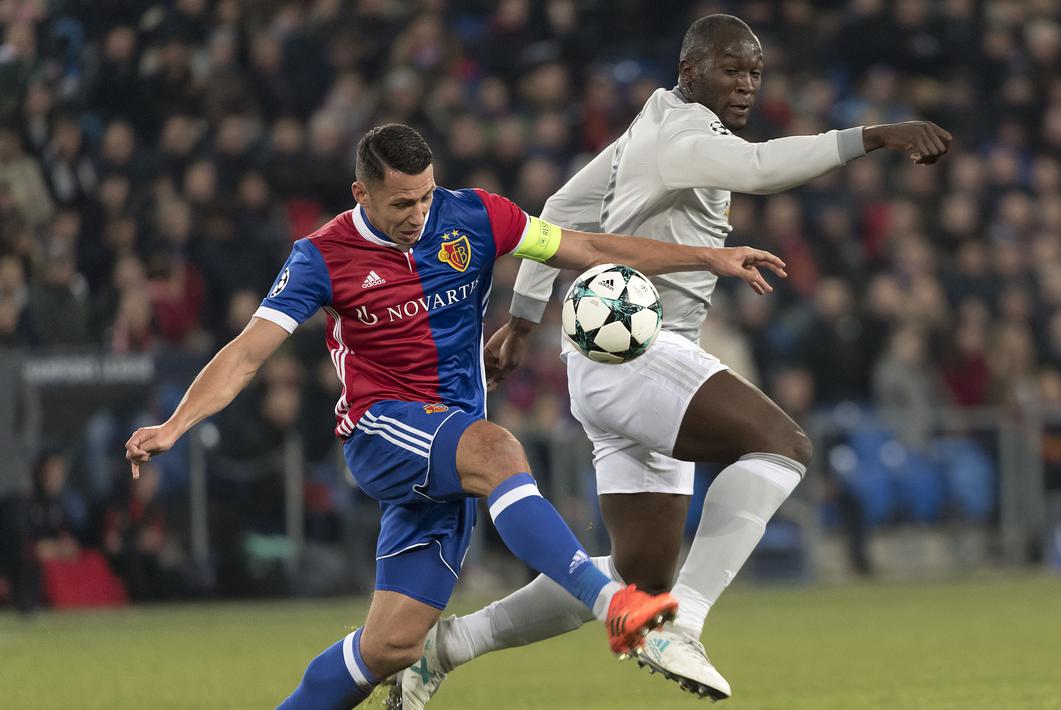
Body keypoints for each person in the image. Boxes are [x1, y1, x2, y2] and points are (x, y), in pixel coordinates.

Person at [123, 122, 786, 710]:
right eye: (401, 203)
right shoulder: (320, 257)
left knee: (389, 647)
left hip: (449, 448)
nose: (417, 214)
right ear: (362, 196)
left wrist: (709, 257)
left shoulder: (474, 217)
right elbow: (245, 355)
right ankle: (619, 609)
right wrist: (173, 426)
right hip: (383, 430)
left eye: (425, 196)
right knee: (500, 451)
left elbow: (583, 248)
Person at [400, 14, 952, 705]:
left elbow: (558, 207)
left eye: (754, 71)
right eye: (731, 69)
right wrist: (874, 135)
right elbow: (759, 168)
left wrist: (522, 317)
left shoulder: (649, 126)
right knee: (781, 446)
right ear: (690, 71)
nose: (747, 84)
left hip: (615, 363)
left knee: (638, 577)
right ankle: (682, 624)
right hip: (633, 350)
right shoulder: (682, 134)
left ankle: (449, 645)